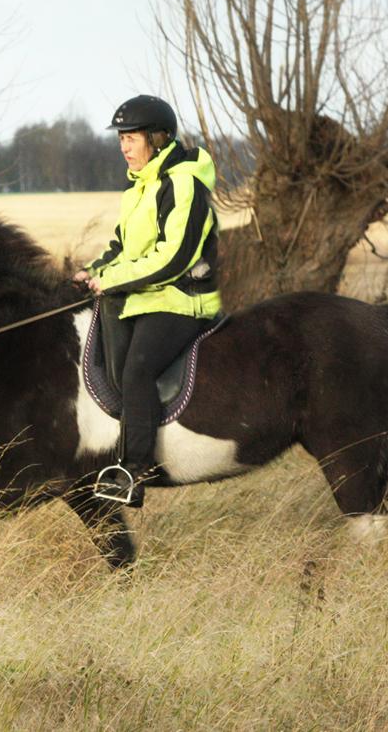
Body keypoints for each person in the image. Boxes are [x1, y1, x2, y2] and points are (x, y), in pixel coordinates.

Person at [73, 94, 222, 507]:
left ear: (158, 138)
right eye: (121, 138)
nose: (124, 146)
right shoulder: (139, 185)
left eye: (131, 137)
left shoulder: (183, 183)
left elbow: (175, 257)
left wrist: (114, 281)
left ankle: (133, 471)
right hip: (146, 296)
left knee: (138, 371)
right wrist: (93, 271)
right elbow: (123, 247)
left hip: (181, 299)